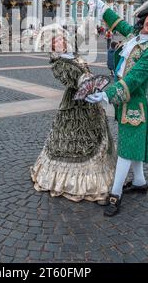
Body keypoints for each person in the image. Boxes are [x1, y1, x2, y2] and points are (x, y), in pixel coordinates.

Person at [86, 0, 148, 217]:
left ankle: (115, 194)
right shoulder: (135, 37)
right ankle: (139, 182)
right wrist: (101, 7)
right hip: (125, 101)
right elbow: (119, 23)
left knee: (126, 149)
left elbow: (134, 80)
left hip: (133, 103)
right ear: (145, 19)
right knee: (133, 144)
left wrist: (106, 95)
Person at [31, 25, 116, 203]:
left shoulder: (73, 56)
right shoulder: (58, 63)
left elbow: (84, 67)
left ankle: (100, 176)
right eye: (56, 41)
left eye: (62, 39)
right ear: (52, 46)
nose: (60, 42)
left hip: (90, 103)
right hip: (74, 105)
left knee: (96, 137)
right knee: (74, 142)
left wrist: (92, 85)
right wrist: (85, 82)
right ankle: (73, 182)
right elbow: (71, 78)